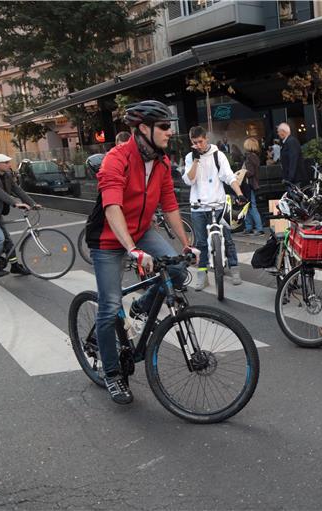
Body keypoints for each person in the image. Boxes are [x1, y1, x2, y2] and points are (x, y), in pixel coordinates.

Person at [84, 100, 198, 405]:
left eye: (168, 126)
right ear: (143, 129)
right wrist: (131, 250)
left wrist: (186, 244)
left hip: (142, 230)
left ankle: (141, 307)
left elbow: (170, 205)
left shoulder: (161, 162)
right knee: (108, 308)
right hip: (109, 238)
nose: (168, 132)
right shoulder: (116, 159)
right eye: (163, 127)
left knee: (176, 269)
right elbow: (112, 207)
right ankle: (111, 374)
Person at [183, 125, 247, 290]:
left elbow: (228, 176)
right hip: (198, 207)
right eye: (194, 142)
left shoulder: (218, 155)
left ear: (206, 139)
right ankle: (202, 275)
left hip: (218, 205)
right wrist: (196, 160)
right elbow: (189, 180)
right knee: (201, 243)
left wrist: (239, 194)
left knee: (228, 239)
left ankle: (234, 268)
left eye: (201, 142)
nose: (198, 145)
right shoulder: (190, 157)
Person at [0, 153, 39, 280]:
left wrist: (32, 203)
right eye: (5, 162)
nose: (9, 164)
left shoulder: (7, 175)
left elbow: (18, 190)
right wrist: (16, 203)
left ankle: (15, 266)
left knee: (8, 240)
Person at [242, 137, 265, 236]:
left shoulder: (250, 157)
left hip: (249, 184)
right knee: (248, 206)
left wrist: (242, 172)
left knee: (251, 206)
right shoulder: (254, 156)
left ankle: (259, 228)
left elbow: (250, 172)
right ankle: (249, 227)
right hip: (251, 184)